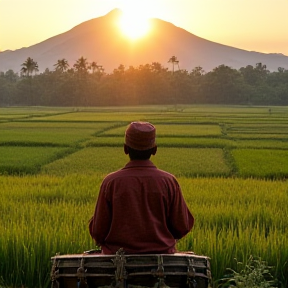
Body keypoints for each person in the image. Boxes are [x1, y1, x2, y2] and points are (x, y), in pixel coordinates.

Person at [89, 121, 194, 254]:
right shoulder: (169, 181)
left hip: (116, 260)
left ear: (125, 149)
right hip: (162, 258)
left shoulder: (111, 182)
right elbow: (182, 226)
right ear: (154, 149)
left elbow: (98, 232)